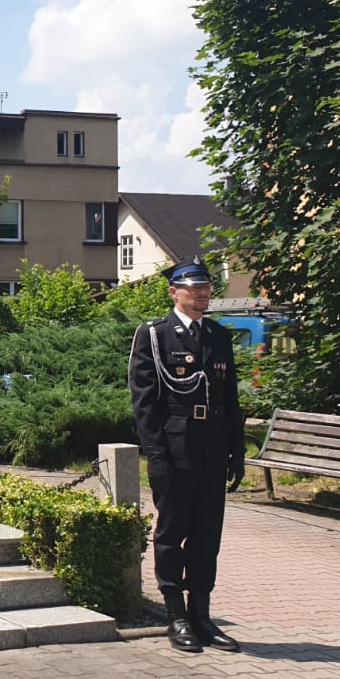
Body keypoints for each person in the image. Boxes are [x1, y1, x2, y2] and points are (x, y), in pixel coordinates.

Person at [128, 258, 245, 654]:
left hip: (213, 449)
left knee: (206, 536)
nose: (202, 294)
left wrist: (237, 449)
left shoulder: (218, 335)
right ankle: (176, 615)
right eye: (193, 288)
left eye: (206, 287)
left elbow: (229, 399)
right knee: (171, 534)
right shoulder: (155, 335)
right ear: (173, 292)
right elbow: (145, 404)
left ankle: (201, 616)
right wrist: (156, 455)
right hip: (176, 449)